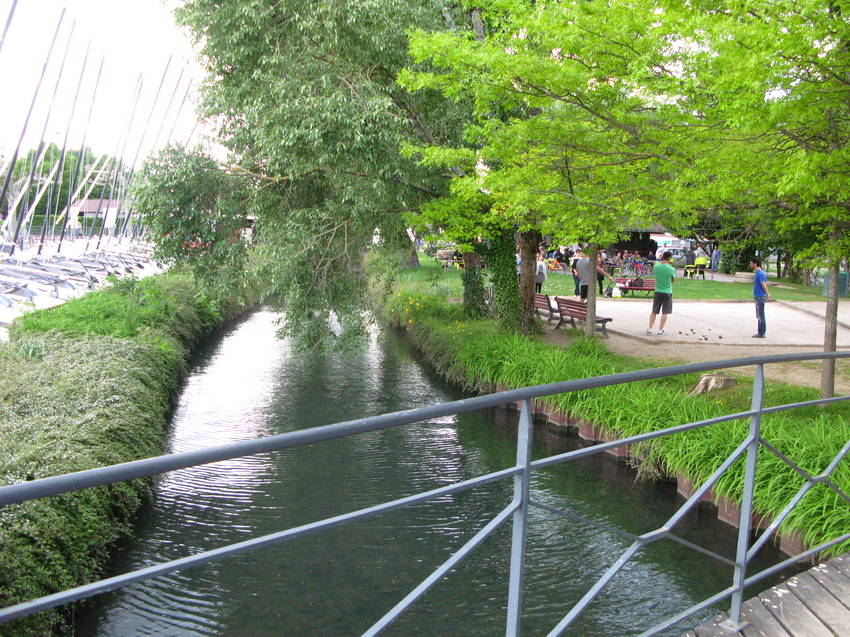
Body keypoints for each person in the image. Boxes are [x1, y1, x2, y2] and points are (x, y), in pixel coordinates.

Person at [646, 251, 675, 336]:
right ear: (670, 258)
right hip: (667, 292)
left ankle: (650, 329)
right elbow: (673, 280)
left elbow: (657, 274)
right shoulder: (671, 269)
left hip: (657, 291)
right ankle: (660, 330)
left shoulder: (656, 267)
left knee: (654, 311)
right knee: (665, 312)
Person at [750, 257, 771, 338]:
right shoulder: (757, 273)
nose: (750, 265)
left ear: (755, 264)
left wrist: (767, 293)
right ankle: (760, 332)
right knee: (758, 315)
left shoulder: (760, 273)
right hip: (757, 295)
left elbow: (763, 284)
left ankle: (761, 332)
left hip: (760, 296)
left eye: (751, 263)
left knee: (760, 315)